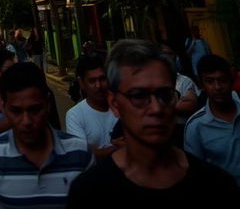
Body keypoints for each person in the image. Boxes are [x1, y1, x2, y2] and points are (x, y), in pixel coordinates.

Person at [67, 39, 237, 208]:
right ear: (114, 104)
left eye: (164, 94)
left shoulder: (215, 186)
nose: (156, 108)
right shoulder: (90, 193)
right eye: (139, 96)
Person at [0, 61, 92, 209]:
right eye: (16, 111)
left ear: (47, 104)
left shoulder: (81, 154)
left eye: (34, 110)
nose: (26, 121)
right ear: (4, 108)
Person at [184, 53, 240, 183]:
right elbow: (195, 174)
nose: (217, 87)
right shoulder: (196, 126)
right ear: (202, 85)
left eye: (222, 80)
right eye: (210, 81)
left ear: (231, 81)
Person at [65, 54, 119, 158]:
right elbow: (82, 155)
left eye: (102, 79)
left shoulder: (123, 106)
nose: (98, 85)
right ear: (81, 83)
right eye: (92, 81)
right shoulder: (75, 115)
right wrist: (118, 147)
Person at [159, 42, 198, 145]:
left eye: (169, 54)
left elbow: (189, 106)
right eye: (163, 54)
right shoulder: (150, 81)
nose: (166, 58)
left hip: (182, 132)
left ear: (175, 57)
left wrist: (163, 105)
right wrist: (177, 101)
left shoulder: (185, 81)